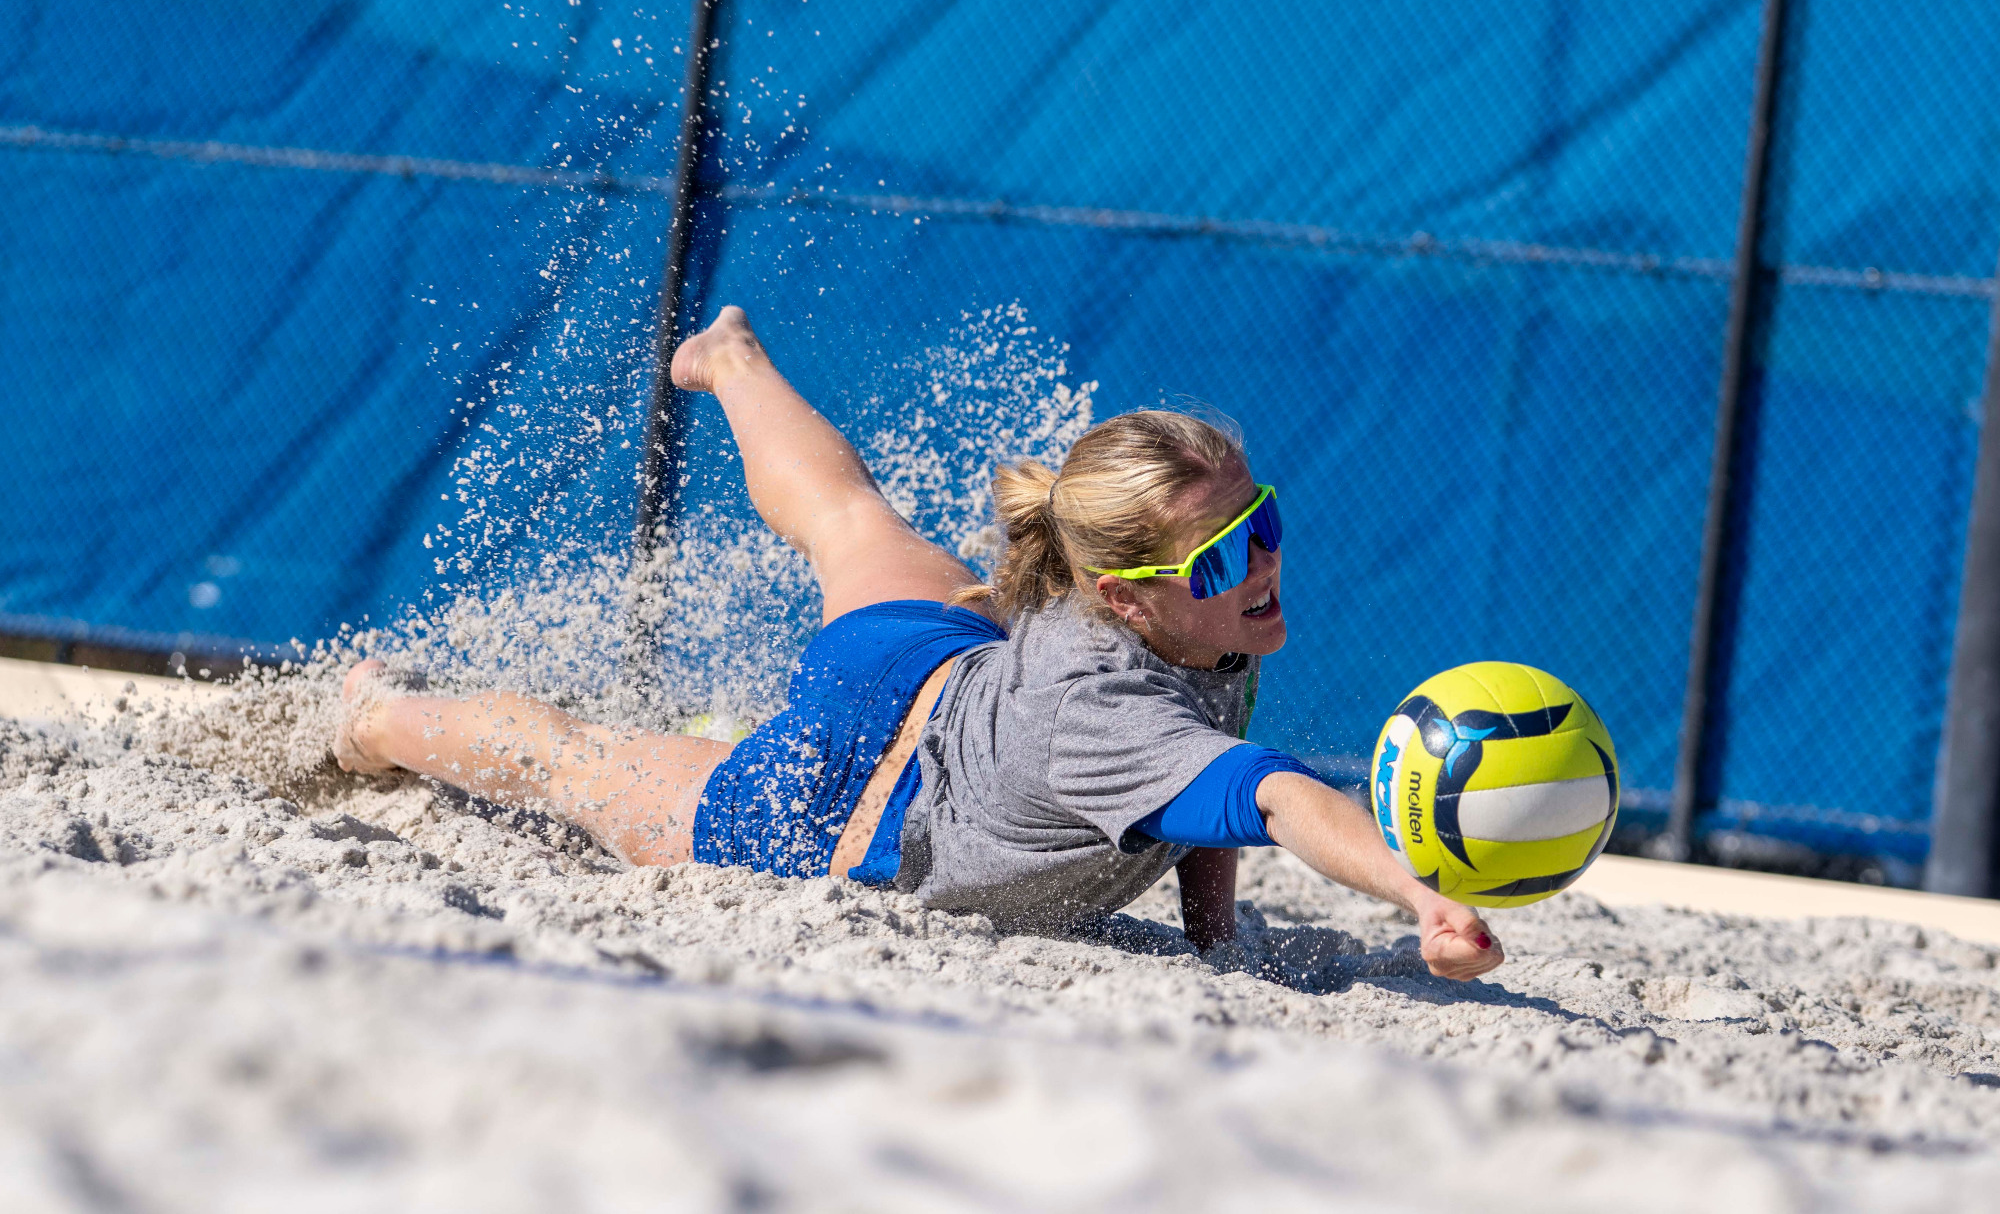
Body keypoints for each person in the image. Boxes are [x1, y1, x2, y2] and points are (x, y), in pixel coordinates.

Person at [336, 306, 1504, 980]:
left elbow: (1212, 773)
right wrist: (1420, 896)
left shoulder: (1199, 622)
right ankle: (371, 716)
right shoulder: (1112, 716)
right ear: (1124, 598)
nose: (1259, 565)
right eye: (1220, 556)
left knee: (849, 519)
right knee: (578, 764)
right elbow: (1274, 795)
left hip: (938, 664)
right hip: (834, 812)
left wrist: (1215, 939)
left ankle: (732, 361)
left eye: (1263, 525)